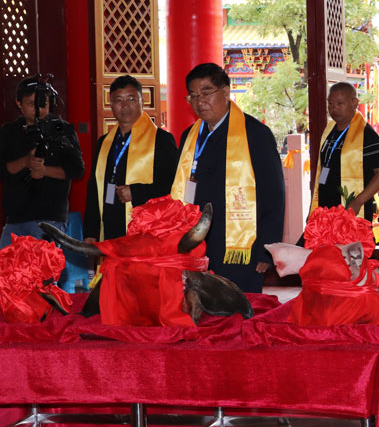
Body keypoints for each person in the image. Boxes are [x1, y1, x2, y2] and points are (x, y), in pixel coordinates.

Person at [171, 63, 284, 293]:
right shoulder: (189, 137)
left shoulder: (254, 134)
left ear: (225, 92)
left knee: (237, 310)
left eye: (206, 93)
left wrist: (266, 248)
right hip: (196, 240)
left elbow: (274, 194)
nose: (199, 101)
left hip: (240, 245)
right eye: (192, 96)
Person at [84, 75, 179, 242]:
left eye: (131, 99)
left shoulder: (161, 140)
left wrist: (136, 192)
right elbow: (94, 190)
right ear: (111, 104)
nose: (125, 105)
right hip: (110, 229)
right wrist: (91, 233)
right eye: (118, 100)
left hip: (146, 231)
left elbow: (173, 186)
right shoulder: (104, 143)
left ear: (142, 101)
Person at [0, 75, 84, 247]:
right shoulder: (9, 131)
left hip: (49, 217)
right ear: (19, 103)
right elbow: (3, 169)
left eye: (42, 104)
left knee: (42, 271)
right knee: (7, 270)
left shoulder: (62, 129)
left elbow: (76, 170)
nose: (37, 110)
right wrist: (25, 162)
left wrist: (45, 171)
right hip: (15, 217)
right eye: (31, 104)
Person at [309, 82, 379, 225]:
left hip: (352, 210)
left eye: (340, 104)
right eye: (331, 104)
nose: (334, 109)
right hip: (326, 211)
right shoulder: (330, 131)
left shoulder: (367, 135)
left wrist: (358, 201)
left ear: (354, 103)